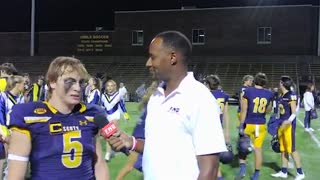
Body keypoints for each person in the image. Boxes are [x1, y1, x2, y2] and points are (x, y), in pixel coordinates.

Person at [108, 31, 226, 180]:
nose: (148, 63)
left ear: (172, 57)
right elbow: (159, 146)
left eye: (153, 57)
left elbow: (210, 168)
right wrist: (132, 142)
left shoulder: (200, 98)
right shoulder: (156, 97)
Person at [6, 56, 109, 179]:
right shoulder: (28, 115)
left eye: (81, 82)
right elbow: (16, 174)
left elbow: (99, 163)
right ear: (52, 82)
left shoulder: (91, 113)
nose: (77, 88)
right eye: (70, 81)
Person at [116, 81, 158, 180]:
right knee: (130, 166)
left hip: (138, 142)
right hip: (141, 144)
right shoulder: (153, 110)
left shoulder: (147, 109)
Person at [238, 73, 273, 180]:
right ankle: (256, 175)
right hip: (261, 124)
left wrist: (241, 124)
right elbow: (269, 110)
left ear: (255, 81)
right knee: (258, 150)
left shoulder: (248, 91)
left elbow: (244, 110)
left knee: (242, 147)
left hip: (249, 123)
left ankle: (242, 170)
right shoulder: (269, 93)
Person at [271, 76, 305, 180]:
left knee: (292, 149)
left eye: (279, 82)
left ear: (282, 83)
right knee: (283, 149)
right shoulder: (282, 95)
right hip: (281, 124)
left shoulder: (291, 95)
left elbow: (294, 112)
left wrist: (288, 121)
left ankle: (300, 173)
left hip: (288, 126)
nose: (278, 84)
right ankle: (284, 171)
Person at [203, 75, 230, 180]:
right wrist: (226, 132)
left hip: (206, 129)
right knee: (215, 159)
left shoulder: (204, 95)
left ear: (208, 84)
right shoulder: (224, 95)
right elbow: (226, 115)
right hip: (218, 128)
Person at [0, 75, 25, 179]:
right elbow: (0, 115)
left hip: (18, 131)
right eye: (23, 83)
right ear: (17, 84)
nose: (25, 86)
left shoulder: (21, 97)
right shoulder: (3, 96)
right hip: (6, 132)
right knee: (7, 159)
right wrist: (5, 134)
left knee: (17, 159)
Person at [101, 79, 129, 161]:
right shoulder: (103, 96)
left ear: (114, 87)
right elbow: (102, 106)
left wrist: (126, 115)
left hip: (115, 116)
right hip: (107, 117)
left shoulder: (118, 95)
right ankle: (123, 147)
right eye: (108, 86)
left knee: (110, 134)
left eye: (111, 86)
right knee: (113, 135)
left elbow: (122, 106)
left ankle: (107, 154)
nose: (109, 87)